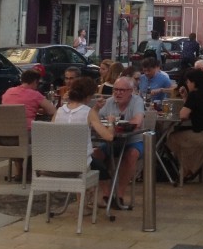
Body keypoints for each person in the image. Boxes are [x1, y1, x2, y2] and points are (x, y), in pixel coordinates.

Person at [55, 76, 116, 209]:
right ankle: (98, 198)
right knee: (98, 164)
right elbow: (109, 137)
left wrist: (96, 109)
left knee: (92, 159)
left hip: (57, 164)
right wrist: (111, 122)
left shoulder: (59, 111)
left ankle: (83, 201)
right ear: (89, 96)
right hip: (79, 166)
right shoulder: (88, 112)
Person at [97, 75, 145, 211]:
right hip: (112, 142)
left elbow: (137, 121)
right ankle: (107, 194)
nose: (118, 93)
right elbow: (96, 120)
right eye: (115, 90)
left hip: (133, 140)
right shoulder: (109, 102)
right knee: (94, 155)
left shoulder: (137, 101)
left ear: (131, 91)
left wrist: (115, 124)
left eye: (122, 90)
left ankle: (119, 195)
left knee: (131, 154)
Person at [168, 68, 203, 182]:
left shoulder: (195, 95)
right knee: (179, 135)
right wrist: (185, 98)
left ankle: (187, 168)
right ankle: (188, 168)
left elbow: (183, 115)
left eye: (188, 82)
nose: (187, 84)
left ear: (194, 82)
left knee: (171, 137)